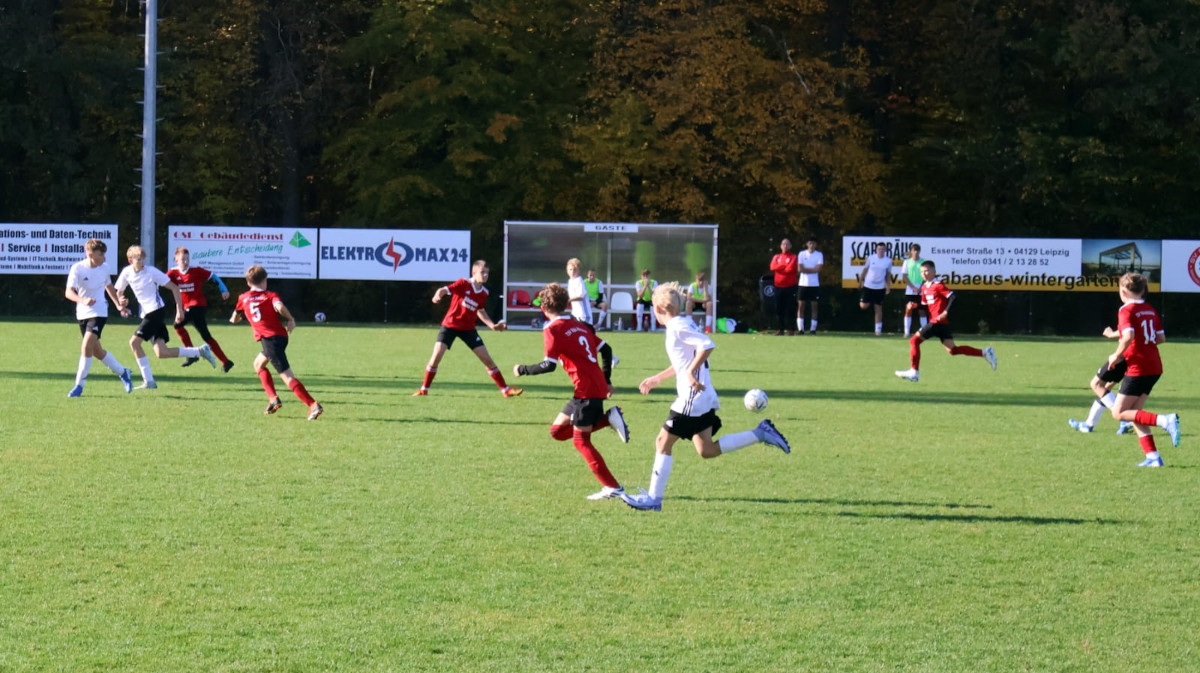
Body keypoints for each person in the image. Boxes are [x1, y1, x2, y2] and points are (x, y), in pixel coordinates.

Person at [620, 282, 791, 512]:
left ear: (659, 309)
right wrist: (658, 378)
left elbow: (707, 345)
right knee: (706, 450)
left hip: (693, 397)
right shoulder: (684, 323)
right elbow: (683, 360)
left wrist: (690, 372)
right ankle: (760, 433)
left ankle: (653, 499)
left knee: (662, 442)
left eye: (652, 308)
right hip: (704, 395)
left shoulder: (677, 327)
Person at [512, 283, 630, 500]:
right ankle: (607, 419)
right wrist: (606, 380)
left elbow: (549, 365)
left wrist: (522, 370)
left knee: (580, 441)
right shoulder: (580, 325)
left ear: (543, 308)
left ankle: (613, 487)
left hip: (586, 391)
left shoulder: (552, 329)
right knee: (557, 432)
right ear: (566, 304)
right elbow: (607, 349)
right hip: (588, 389)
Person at [1102, 273, 1181, 466]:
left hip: (1138, 367)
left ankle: (1165, 420)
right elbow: (1161, 339)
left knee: (1119, 413)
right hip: (1154, 365)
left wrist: (1116, 354)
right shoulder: (1150, 309)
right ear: (1143, 289)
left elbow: (1128, 335)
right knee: (1135, 411)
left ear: (1122, 291)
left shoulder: (1126, 310)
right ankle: (1153, 456)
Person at [413, 259, 522, 397]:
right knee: (436, 357)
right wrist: (438, 294)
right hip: (450, 325)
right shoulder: (463, 283)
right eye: (482, 272)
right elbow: (445, 289)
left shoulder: (484, 293)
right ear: (474, 272)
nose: (485, 275)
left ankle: (505, 390)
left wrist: (492, 326)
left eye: (487, 273)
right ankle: (424, 389)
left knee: (487, 359)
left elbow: (480, 310)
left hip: (468, 329)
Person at [114, 245, 217, 389]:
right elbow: (119, 292)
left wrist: (179, 310)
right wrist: (122, 302)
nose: (142, 262)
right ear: (130, 260)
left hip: (156, 312)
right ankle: (199, 351)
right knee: (161, 352)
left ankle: (148, 382)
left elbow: (175, 288)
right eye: (139, 260)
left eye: (143, 259)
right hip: (147, 314)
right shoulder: (126, 272)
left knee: (134, 343)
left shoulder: (151, 272)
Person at [230, 264, 323, 419]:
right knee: (258, 364)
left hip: (270, 341)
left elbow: (234, 319)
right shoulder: (270, 295)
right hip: (279, 337)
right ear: (265, 280)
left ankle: (313, 405)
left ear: (248, 283)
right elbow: (279, 307)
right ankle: (273, 399)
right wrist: (290, 319)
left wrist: (241, 316)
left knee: (287, 377)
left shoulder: (243, 298)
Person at [894, 260, 996, 382]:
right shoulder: (925, 286)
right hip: (940, 324)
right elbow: (925, 306)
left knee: (914, 341)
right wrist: (915, 306)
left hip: (937, 322)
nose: (924, 273)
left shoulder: (938, 285)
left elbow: (953, 297)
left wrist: (945, 312)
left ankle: (914, 372)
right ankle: (985, 352)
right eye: (922, 272)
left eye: (927, 270)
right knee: (953, 350)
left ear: (934, 271)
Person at [64, 238, 133, 397]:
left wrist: (117, 304)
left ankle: (79, 385)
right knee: (97, 351)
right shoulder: (77, 268)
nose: (104, 257)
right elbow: (68, 292)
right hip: (82, 313)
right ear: (90, 254)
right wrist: (83, 300)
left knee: (86, 344)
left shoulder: (104, 267)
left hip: (99, 311)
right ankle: (123, 372)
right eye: (100, 254)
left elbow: (108, 286)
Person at [168, 246, 234, 372]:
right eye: (182, 259)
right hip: (187, 307)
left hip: (198, 305)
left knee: (177, 325)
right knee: (205, 335)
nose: (185, 262)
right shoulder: (173, 273)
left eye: (187, 259)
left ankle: (191, 354)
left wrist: (223, 289)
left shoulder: (196, 270)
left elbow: (213, 276)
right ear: (176, 260)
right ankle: (226, 361)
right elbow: (161, 280)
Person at [1067, 357, 1134, 435]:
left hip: (1124, 356)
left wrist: (1117, 354)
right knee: (1104, 390)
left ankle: (1125, 420)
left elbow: (1125, 344)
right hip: (1134, 358)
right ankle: (1089, 424)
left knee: (1096, 384)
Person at [857, 242, 893, 335]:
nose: (881, 251)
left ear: (885, 250)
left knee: (878, 308)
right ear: (876, 250)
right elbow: (864, 270)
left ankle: (878, 330)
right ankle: (869, 301)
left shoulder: (888, 261)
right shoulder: (871, 258)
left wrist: (888, 286)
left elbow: (888, 274)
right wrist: (860, 281)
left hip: (880, 287)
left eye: (882, 249)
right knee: (863, 306)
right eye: (879, 249)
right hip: (868, 285)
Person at [768, 239, 798, 335]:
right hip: (778, 286)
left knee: (790, 308)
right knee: (779, 309)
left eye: (787, 244)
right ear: (781, 246)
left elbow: (790, 269)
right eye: (783, 244)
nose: (785, 246)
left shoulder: (793, 257)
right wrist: (783, 266)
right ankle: (780, 329)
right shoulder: (777, 257)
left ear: (790, 246)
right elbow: (772, 267)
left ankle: (791, 329)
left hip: (790, 286)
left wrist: (780, 267)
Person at [901, 244, 929, 337]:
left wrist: (921, 287)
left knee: (922, 310)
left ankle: (925, 332)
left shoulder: (923, 262)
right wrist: (913, 287)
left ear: (919, 251)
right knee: (908, 309)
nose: (916, 252)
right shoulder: (907, 262)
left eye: (917, 250)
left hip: (921, 289)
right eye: (914, 250)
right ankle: (906, 332)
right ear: (911, 251)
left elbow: (926, 276)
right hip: (910, 289)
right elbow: (904, 276)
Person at [797, 237, 823, 334]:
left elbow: (819, 269)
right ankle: (801, 329)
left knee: (814, 306)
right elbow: (800, 269)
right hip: (803, 284)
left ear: (815, 245)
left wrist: (806, 269)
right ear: (807, 244)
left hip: (814, 284)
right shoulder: (802, 254)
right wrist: (813, 269)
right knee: (801, 306)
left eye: (813, 243)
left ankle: (813, 329)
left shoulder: (819, 254)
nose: (811, 245)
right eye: (810, 243)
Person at [565, 258, 593, 327]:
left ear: (579, 271)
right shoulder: (570, 281)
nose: (572, 272)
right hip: (575, 314)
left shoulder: (579, 281)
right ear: (567, 271)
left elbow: (581, 297)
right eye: (570, 270)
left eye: (575, 270)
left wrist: (568, 300)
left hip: (584, 315)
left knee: (587, 336)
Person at [686, 270, 715, 334]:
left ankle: (707, 328)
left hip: (703, 305)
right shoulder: (692, 286)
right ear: (696, 280)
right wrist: (701, 300)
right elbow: (689, 297)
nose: (700, 282)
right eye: (699, 280)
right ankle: (689, 325)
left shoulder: (708, 287)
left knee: (709, 304)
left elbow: (708, 298)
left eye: (702, 280)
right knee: (688, 303)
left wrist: (705, 288)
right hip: (694, 304)